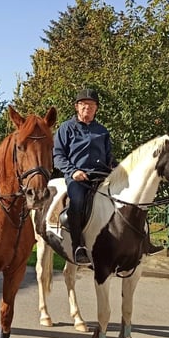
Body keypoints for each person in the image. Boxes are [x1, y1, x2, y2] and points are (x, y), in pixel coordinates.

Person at [53, 88, 116, 265]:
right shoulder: (66, 128)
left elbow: (109, 157)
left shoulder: (102, 131)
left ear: (96, 108)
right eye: (83, 105)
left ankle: (138, 240)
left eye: (91, 105)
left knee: (127, 197)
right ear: (77, 107)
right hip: (77, 176)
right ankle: (78, 246)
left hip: (101, 176)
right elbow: (58, 156)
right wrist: (73, 171)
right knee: (78, 201)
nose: (87, 108)